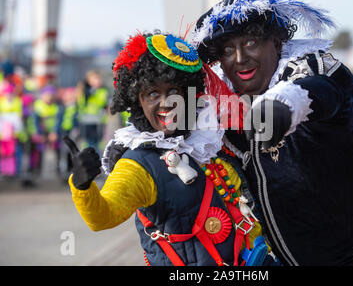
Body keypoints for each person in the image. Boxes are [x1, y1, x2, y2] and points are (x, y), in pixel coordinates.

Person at [193, 0, 353, 266]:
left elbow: (318, 92)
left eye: (250, 42)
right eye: (227, 50)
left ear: (276, 41)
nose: (239, 58)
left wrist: (281, 106)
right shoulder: (228, 109)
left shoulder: (316, 69)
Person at [64, 32, 276, 266]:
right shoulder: (138, 165)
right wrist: (82, 185)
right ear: (138, 100)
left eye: (175, 91)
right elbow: (102, 217)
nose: (166, 103)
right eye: (153, 93)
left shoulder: (209, 139)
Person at [77, 70, 108, 152]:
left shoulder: (103, 91)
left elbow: (103, 103)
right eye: (95, 79)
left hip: (98, 121)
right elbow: (81, 103)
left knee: (98, 143)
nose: (98, 81)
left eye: (99, 79)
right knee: (88, 142)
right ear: (89, 81)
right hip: (87, 121)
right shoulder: (85, 91)